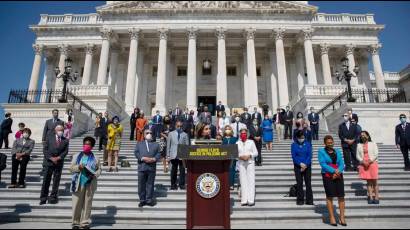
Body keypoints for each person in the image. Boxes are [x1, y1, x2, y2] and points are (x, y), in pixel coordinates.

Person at [70, 136, 101, 229]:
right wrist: (78, 167)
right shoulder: (77, 156)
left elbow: (99, 170)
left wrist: (95, 173)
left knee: (87, 204)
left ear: (92, 146)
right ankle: (75, 222)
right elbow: (71, 168)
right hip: (78, 182)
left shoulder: (96, 158)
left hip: (90, 183)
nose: (86, 146)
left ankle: (84, 223)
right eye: (85, 144)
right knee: (76, 203)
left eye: (88, 144)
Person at [318, 135, 346, 227]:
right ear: (325, 143)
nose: (330, 144)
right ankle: (332, 217)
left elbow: (342, 163)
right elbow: (323, 164)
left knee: (341, 196)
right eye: (328, 142)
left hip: (338, 174)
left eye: (331, 142)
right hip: (327, 175)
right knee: (330, 196)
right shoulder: (321, 151)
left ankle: (342, 217)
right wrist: (333, 171)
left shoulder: (337, 151)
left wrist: (338, 171)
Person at [40, 125, 69, 205]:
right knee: (46, 180)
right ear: (55, 130)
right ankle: (43, 197)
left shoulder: (65, 140)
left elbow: (65, 151)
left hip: (59, 163)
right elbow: (45, 150)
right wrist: (51, 158)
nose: (61, 132)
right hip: (49, 162)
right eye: (59, 130)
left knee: (56, 181)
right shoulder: (49, 138)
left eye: (62, 130)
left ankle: (53, 197)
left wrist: (58, 158)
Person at [134, 129, 161, 207]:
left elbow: (159, 153)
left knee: (150, 184)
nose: (149, 134)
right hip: (142, 167)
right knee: (141, 184)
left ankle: (149, 200)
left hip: (151, 167)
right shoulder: (139, 144)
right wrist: (142, 158)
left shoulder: (156, 144)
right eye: (147, 133)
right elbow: (136, 153)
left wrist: (154, 159)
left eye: (150, 133)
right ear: (144, 135)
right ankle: (142, 200)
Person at [357, 131, 380, 204]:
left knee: (375, 182)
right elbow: (357, 155)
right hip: (364, 164)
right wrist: (362, 161)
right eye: (361, 135)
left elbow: (376, 153)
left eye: (364, 135)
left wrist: (370, 161)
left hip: (372, 163)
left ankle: (376, 197)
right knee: (368, 182)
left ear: (367, 136)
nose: (362, 136)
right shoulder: (359, 145)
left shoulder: (373, 143)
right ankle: (370, 197)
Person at [237, 128, 258, 206]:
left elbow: (256, 153)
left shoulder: (251, 142)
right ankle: (244, 199)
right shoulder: (237, 143)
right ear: (240, 134)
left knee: (251, 180)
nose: (243, 135)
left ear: (247, 134)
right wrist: (240, 156)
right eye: (242, 133)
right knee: (243, 181)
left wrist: (249, 155)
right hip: (241, 163)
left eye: (245, 133)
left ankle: (251, 200)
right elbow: (235, 153)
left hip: (250, 162)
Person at [291, 130, 313, 205]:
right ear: (297, 137)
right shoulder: (294, 145)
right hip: (298, 166)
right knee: (299, 183)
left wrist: (305, 164)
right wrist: (300, 164)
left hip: (307, 166)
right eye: (300, 137)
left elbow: (309, 155)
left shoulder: (308, 144)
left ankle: (309, 200)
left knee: (308, 183)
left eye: (303, 137)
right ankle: (300, 200)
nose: (302, 139)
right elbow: (294, 156)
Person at [166, 121, 189, 190]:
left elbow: (187, 146)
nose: (179, 127)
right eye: (178, 126)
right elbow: (168, 145)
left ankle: (182, 185)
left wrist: (186, 156)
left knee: (182, 171)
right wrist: (168, 155)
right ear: (175, 126)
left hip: (182, 155)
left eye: (181, 126)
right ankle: (173, 185)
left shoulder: (185, 134)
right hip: (173, 154)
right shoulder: (171, 134)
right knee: (173, 170)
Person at [41, 109, 64, 175]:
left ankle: (54, 167)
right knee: (46, 153)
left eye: (56, 113)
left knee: (55, 153)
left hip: (56, 140)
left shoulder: (61, 122)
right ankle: (44, 167)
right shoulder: (48, 121)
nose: (55, 114)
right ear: (52, 113)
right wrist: (43, 139)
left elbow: (62, 131)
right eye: (54, 113)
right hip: (48, 139)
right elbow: (45, 130)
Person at [222, 125, 238, 190]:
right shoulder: (222, 138)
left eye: (229, 129)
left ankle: (231, 184)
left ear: (231, 130)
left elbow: (237, 147)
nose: (227, 130)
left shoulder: (234, 138)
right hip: (224, 157)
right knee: (224, 171)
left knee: (231, 171)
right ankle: (225, 184)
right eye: (226, 129)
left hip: (232, 157)